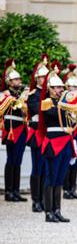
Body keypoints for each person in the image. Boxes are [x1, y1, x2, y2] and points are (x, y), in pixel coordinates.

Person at [39, 62, 76, 223]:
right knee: (51, 177)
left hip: (66, 142)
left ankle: (57, 210)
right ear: (50, 89)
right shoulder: (47, 102)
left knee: (60, 178)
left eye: (62, 87)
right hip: (53, 143)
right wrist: (66, 104)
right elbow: (52, 115)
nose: (61, 90)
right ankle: (48, 212)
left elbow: (73, 120)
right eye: (58, 88)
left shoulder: (64, 103)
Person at [1, 59, 28, 202]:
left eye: (19, 79)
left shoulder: (20, 94)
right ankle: (9, 191)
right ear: (10, 81)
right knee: (11, 160)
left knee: (18, 160)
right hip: (11, 128)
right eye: (16, 79)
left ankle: (16, 190)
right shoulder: (5, 93)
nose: (19, 81)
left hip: (21, 128)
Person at [26, 54, 49, 212]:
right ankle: (36, 200)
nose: (44, 80)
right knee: (37, 168)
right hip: (36, 134)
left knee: (45, 169)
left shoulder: (48, 95)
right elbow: (36, 110)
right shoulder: (33, 95)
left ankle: (43, 198)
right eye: (42, 77)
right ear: (37, 78)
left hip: (47, 134)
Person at [62, 64, 77, 200]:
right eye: (72, 87)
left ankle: (72, 188)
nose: (75, 89)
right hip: (70, 132)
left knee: (76, 163)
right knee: (68, 161)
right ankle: (66, 188)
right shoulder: (64, 100)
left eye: (76, 87)